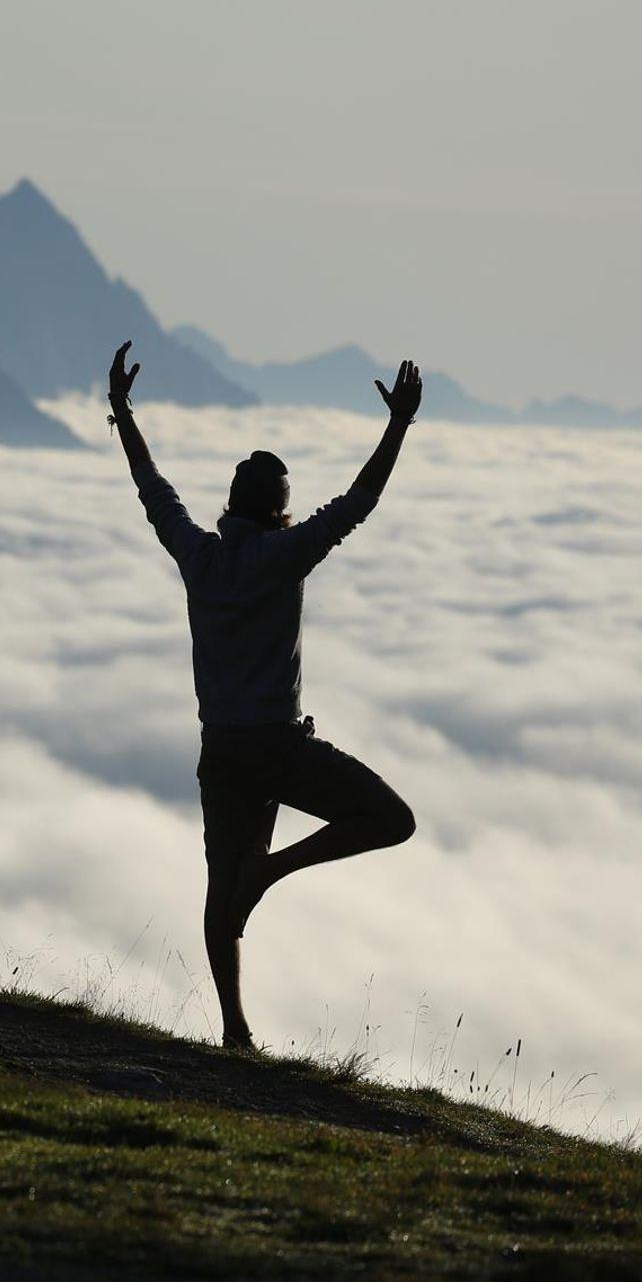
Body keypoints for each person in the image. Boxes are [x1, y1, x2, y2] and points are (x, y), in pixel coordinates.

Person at [105, 341, 422, 1050]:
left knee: (222, 888)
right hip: (279, 748)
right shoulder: (286, 554)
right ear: (281, 511)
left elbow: (152, 489)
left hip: (220, 750)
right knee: (389, 819)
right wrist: (398, 424)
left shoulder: (198, 555)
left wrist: (122, 411)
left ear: (231, 504)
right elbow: (357, 503)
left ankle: (235, 1029)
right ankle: (271, 872)